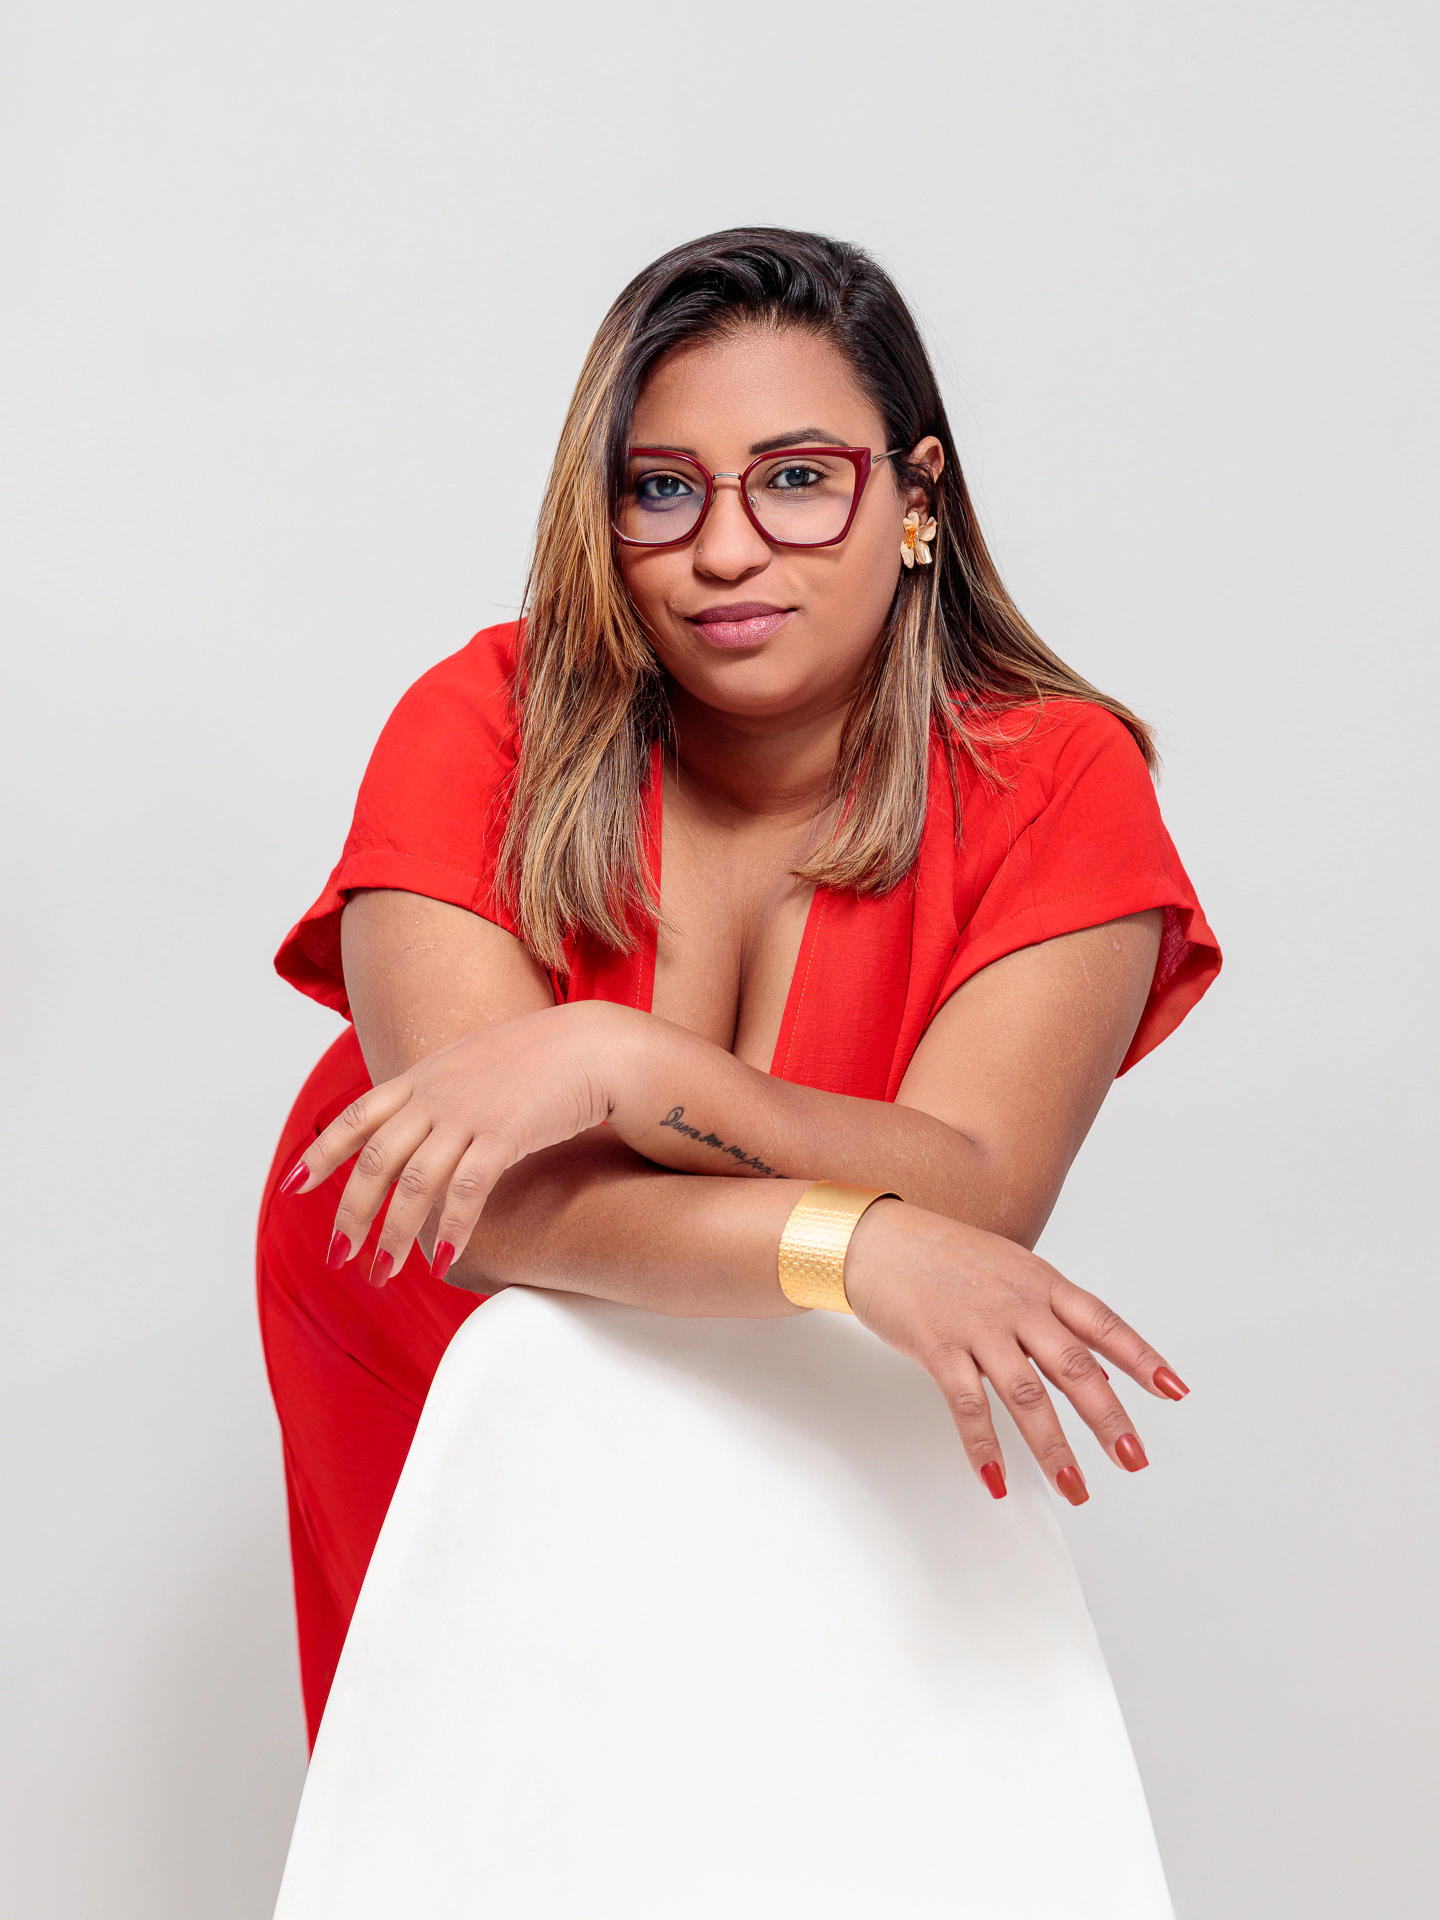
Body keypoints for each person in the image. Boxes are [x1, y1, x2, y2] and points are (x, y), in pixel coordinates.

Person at [258, 227, 1220, 1748]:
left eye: (797, 478)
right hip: (428, 1346)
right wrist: (859, 1241)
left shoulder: (1054, 775)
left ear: (916, 496)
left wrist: (624, 1064)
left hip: (782, 1379)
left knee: (783, 1794)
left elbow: (980, 1191)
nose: (724, 551)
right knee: (472, 1794)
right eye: (663, 489)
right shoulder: (481, 721)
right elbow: (481, 1213)